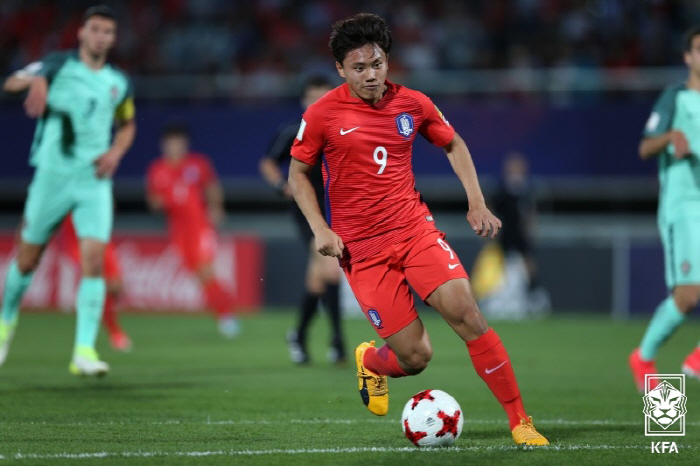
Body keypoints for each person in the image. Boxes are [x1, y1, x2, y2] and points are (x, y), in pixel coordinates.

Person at [288, 13, 548, 446]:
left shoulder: (413, 103)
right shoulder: (322, 114)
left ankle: (520, 421)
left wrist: (476, 201)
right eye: (358, 68)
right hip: (362, 249)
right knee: (415, 356)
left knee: (467, 314)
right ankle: (371, 362)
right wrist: (321, 229)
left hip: (413, 230)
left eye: (377, 64)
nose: (370, 75)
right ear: (340, 69)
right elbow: (298, 174)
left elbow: (453, 143)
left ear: (387, 61)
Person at [0, 5, 135, 376]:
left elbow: (127, 124)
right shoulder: (56, 64)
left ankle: (84, 351)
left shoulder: (119, 82)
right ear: (82, 33)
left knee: (94, 261)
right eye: (95, 29)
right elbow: (10, 82)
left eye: (107, 31)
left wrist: (116, 152)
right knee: (28, 259)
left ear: (113, 38)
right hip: (53, 177)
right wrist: (36, 80)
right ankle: (5, 322)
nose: (100, 37)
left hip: (94, 180)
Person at [629, 25, 700, 391]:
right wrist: (671, 136)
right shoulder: (676, 97)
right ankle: (644, 356)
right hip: (685, 206)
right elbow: (645, 147)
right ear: (688, 57)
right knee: (688, 296)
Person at [259, 75, 346, 365]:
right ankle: (338, 343)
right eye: (313, 98)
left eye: (324, 97)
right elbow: (268, 162)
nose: (318, 103)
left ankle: (298, 334)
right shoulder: (293, 131)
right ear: (303, 101)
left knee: (317, 280)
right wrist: (281, 186)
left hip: (336, 209)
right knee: (331, 269)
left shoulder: (342, 130)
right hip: (308, 211)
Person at [146, 123, 240, 338]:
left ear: (185, 143)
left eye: (178, 142)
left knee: (205, 270)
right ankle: (225, 308)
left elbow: (212, 187)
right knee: (200, 275)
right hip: (178, 232)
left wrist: (216, 208)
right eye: (171, 142)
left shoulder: (198, 164)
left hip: (200, 227)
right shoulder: (157, 169)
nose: (175, 146)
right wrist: (163, 201)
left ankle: (226, 315)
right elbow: (153, 201)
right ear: (163, 145)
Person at [58, 215, 132, 351]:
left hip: (101, 240)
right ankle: (109, 334)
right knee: (95, 283)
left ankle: (108, 326)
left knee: (115, 286)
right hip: (78, 244)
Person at [490, 151, 550, 316]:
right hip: (504, 233)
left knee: (527, 263)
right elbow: (492, 207)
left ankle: (534, 294)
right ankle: (501, 297)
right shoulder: (501, 189)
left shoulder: (527, 188)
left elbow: (530, 212)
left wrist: (531, 228)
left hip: (521, 234)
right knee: (501, 265)